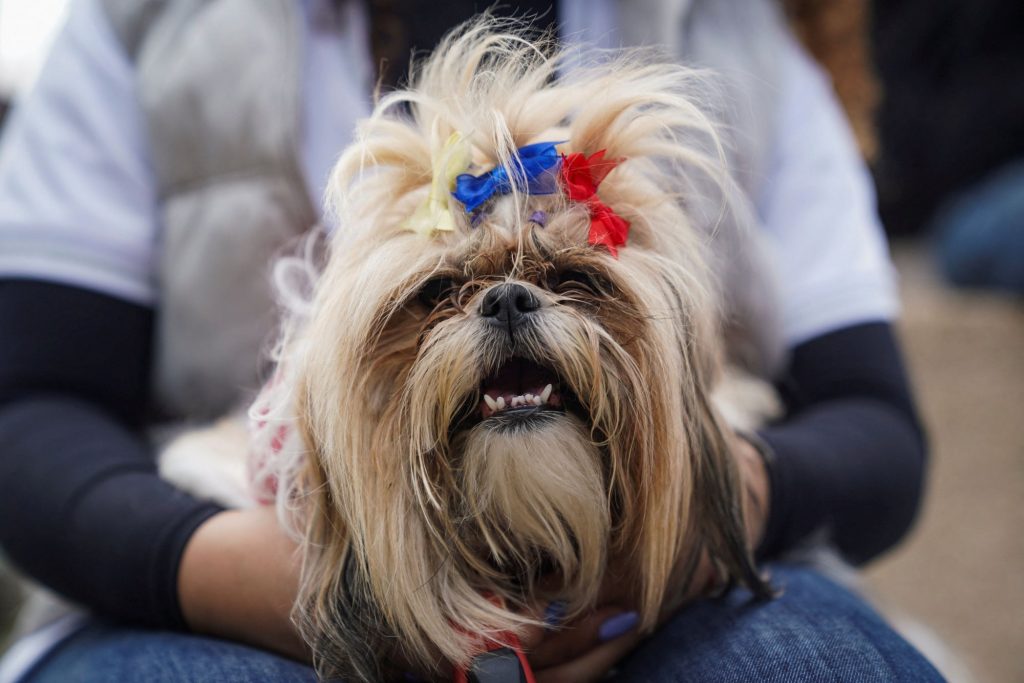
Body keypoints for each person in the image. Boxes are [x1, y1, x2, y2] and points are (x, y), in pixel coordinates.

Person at [0, 0, 941, 680]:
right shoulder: (136, 24)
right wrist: (258, 581)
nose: (507, 312)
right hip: (220, 579)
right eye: (438, 298)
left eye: (576, 284)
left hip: (689, 579)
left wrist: (709, 508)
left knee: (808, 664)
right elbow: (27, 413)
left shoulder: (747, 33)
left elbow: (878, 427)